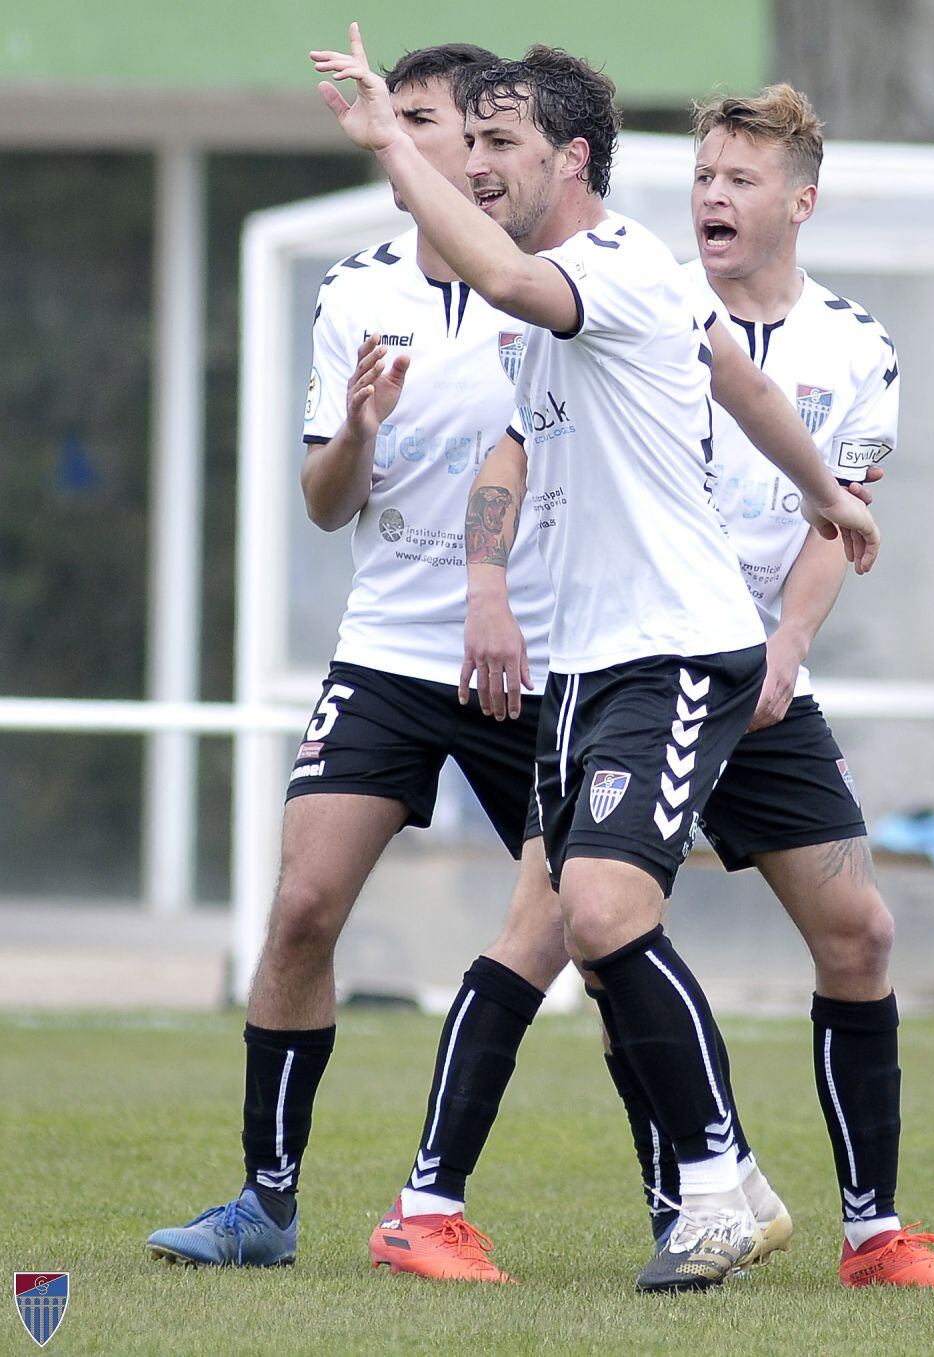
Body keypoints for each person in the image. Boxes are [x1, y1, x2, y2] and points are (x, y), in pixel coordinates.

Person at [312, 29, 880, 1292]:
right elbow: (738, 382)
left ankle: (724, 1184)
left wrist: (390, 149)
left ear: (571, 158)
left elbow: (515, 290)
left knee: (608, 910)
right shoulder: (614, 284)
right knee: (576, 914)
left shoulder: (606, 269)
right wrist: (827, 492)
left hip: (674, 649)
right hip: (588, 663)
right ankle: (711, 1184)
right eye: (465, 143)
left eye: (496, 142)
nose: (474, 164)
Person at [146, 43, 570, 1277]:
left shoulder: (547, 286)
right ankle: (263, 1204)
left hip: (535, 659)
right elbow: (327, 502)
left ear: (481, 145)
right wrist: (363, 432)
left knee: (598, 930)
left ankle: (683, 1196)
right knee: (301, 906)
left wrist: (502, 595)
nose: (394, 137)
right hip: (388, 652)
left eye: (420, 119)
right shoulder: (356, 290)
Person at [595, 83, 934, 1291]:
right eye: (705, 175)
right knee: (587, 928)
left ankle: (874, 1236)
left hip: (759, 677)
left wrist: (786, 649)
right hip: (636, 667)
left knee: (860, 931)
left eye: (741, 178)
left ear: (800, 201)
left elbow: (839, 515)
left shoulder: (858, 348)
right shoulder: (639, 308)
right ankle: (686, 1198)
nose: (713, 193)